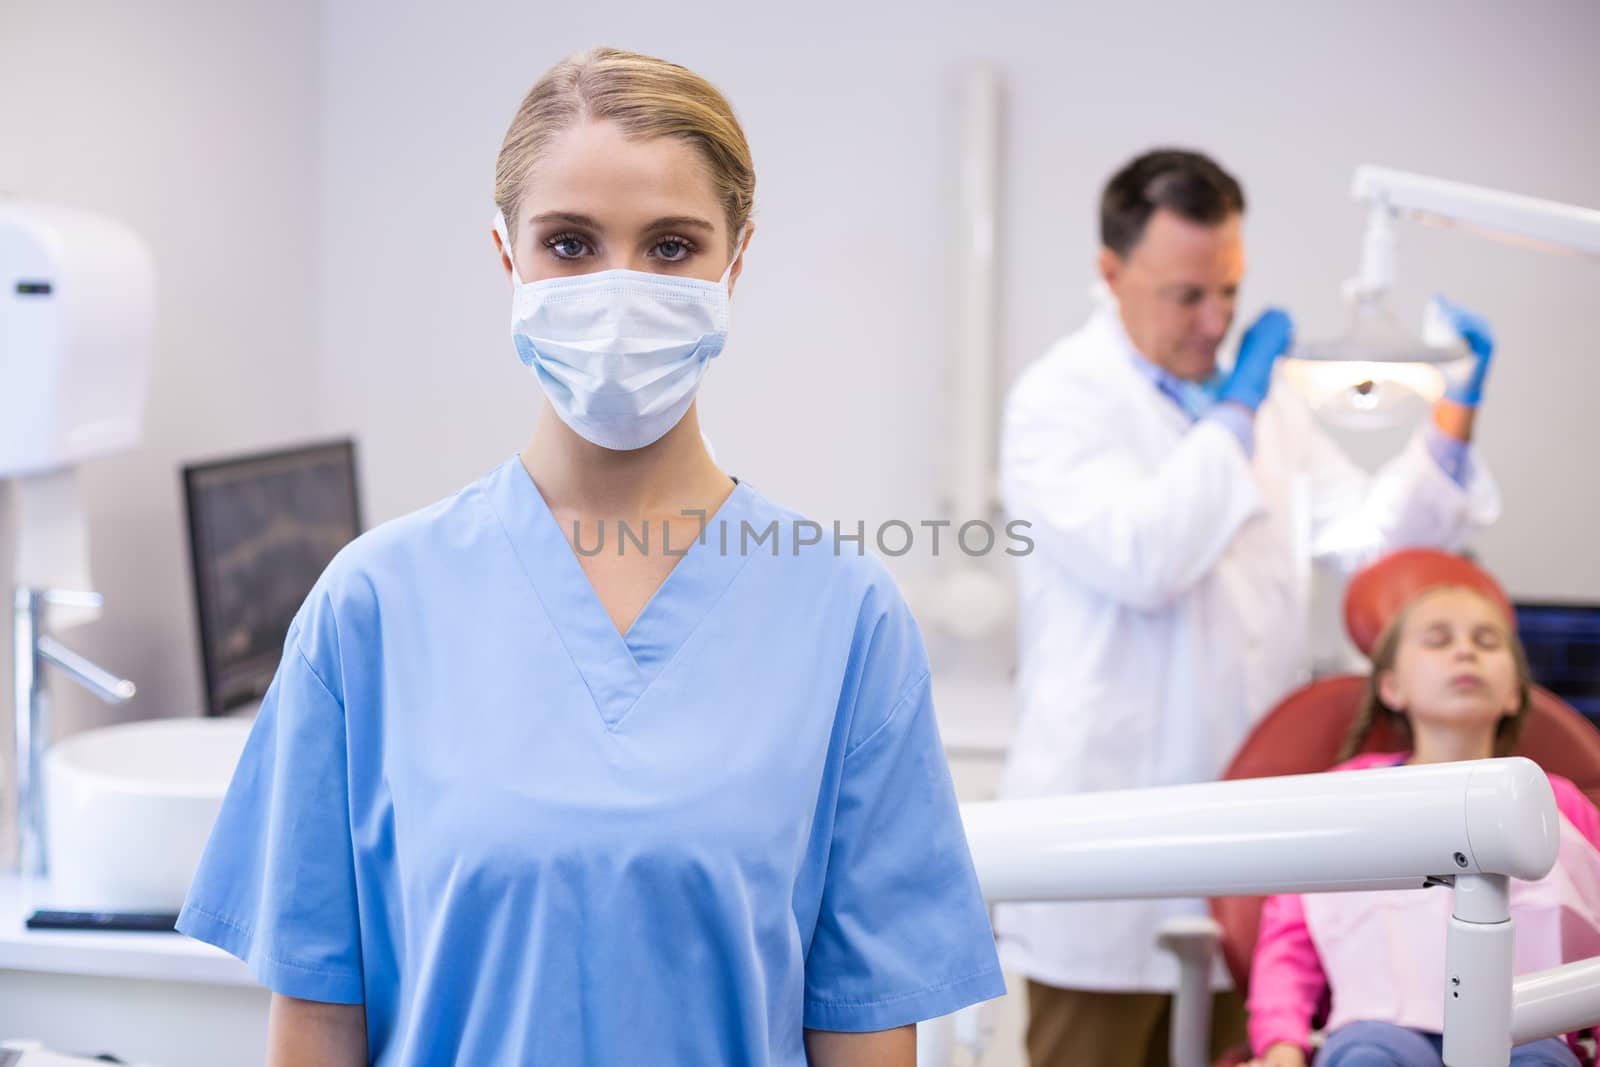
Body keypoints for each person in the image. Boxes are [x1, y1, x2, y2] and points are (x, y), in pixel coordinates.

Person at [177, 47, 1004, 1066]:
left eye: (669, 246)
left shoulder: (845, 618)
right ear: (505, 256)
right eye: (569, 243)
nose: (618, 289)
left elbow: (866, 1032)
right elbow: (315, 1023)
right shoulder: (373, 607)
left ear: (734, 262)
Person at [993, 148, 1503, 1067]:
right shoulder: (1057, 402)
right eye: (1187, 295)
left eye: (1228, 289)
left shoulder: (1268, 412)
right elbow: (1144, 556)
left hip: (1247, 846)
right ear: (1111, 273)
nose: (1217, 318)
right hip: (1105, 851)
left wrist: (1452, 422)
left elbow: (1373, 542)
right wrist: (1229, 415)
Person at [1247, 570, 1600, 1067]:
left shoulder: (1559, 805)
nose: (1465, 652)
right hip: (1377, 1030)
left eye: (1486, 641)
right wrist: (1281, 1043)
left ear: (1514, 694)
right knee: (1367, 1056)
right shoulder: (1346, 796)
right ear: (1392, 687)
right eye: (1438, 640)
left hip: (1526, 1033)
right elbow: (1291, 935)